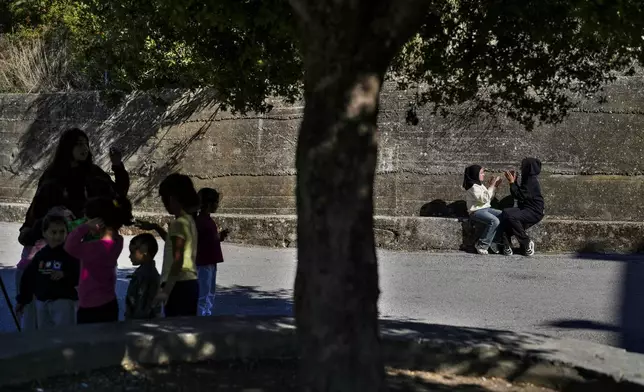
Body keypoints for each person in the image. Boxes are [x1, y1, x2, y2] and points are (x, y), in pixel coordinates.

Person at [19, 128, 130, 246]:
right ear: (68, 147)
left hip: (91, 238)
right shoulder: (54, 174)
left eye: (86, 144)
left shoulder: (94, 173)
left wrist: (117, 166)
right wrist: (27, 229)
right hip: (61, 239)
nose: (85, 148)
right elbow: (38, 205)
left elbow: (118, 194)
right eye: (79, 144)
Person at [136, 173, 199, 318]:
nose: (164, 204)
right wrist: (155, 227)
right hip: (190, 283)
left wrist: (165, 291)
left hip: (178, 286)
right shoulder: (188, 220)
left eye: (164, 200)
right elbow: (174, 245)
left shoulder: (178, 223)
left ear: (172, 198)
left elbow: (178, 260)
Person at [65, 197, 133, 324]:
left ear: (99, 221)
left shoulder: (95, 248)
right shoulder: (118, 241)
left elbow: (69, 246)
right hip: (109, 302)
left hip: (90, 306)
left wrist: (84, 228)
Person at [14, 206, 75, 330]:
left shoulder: (69, 255)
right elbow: (28, 278)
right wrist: (23, 300)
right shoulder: (40, 256)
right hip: (42, 303)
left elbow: (78, 273)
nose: (58, 236)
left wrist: (65, 274)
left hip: (63, 302)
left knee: (64, 335)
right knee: (44, 336)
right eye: (53, 232)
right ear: (44, 233)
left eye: (62, 232)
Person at [501, 158, 545, 257]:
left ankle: (526, 242)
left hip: (534, 211)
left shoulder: (531, 181)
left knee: (513, 217)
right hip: (527, 209)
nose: (521, 168)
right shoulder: (527, 178)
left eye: (522, 166)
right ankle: (507, 244)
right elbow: (520, 194)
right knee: (506, 213)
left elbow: (519, 196)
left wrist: (512, 183)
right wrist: (515, 181)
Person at [195, 188, 228, 316]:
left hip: (210, 261)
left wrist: (219, 237)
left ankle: (206, 314)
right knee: (203, 294)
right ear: (208, 203)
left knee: (209, 293)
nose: (217, 205)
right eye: (216, 202)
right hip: (203, 262)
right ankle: (201, 318)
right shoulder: (201, 222)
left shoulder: (208, 221)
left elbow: (210, 240)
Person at [463, 165, 503, 255]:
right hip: (476, 212)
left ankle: (494, 241)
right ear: (475, 174)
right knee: (494, 221)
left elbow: (488, 199)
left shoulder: (479, 185)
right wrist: (492, 186)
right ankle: (482, 245)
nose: (483, 175)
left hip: (486, 209)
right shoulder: (473, 187)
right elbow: (484, 199)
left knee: (503, 215)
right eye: (481, 173)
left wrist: (493, 186)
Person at [124, 233, 161, 320]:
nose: (129, 256)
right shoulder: (146, 272)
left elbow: (142, 306)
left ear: (144, 250)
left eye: (132, 252)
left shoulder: (144, 276)